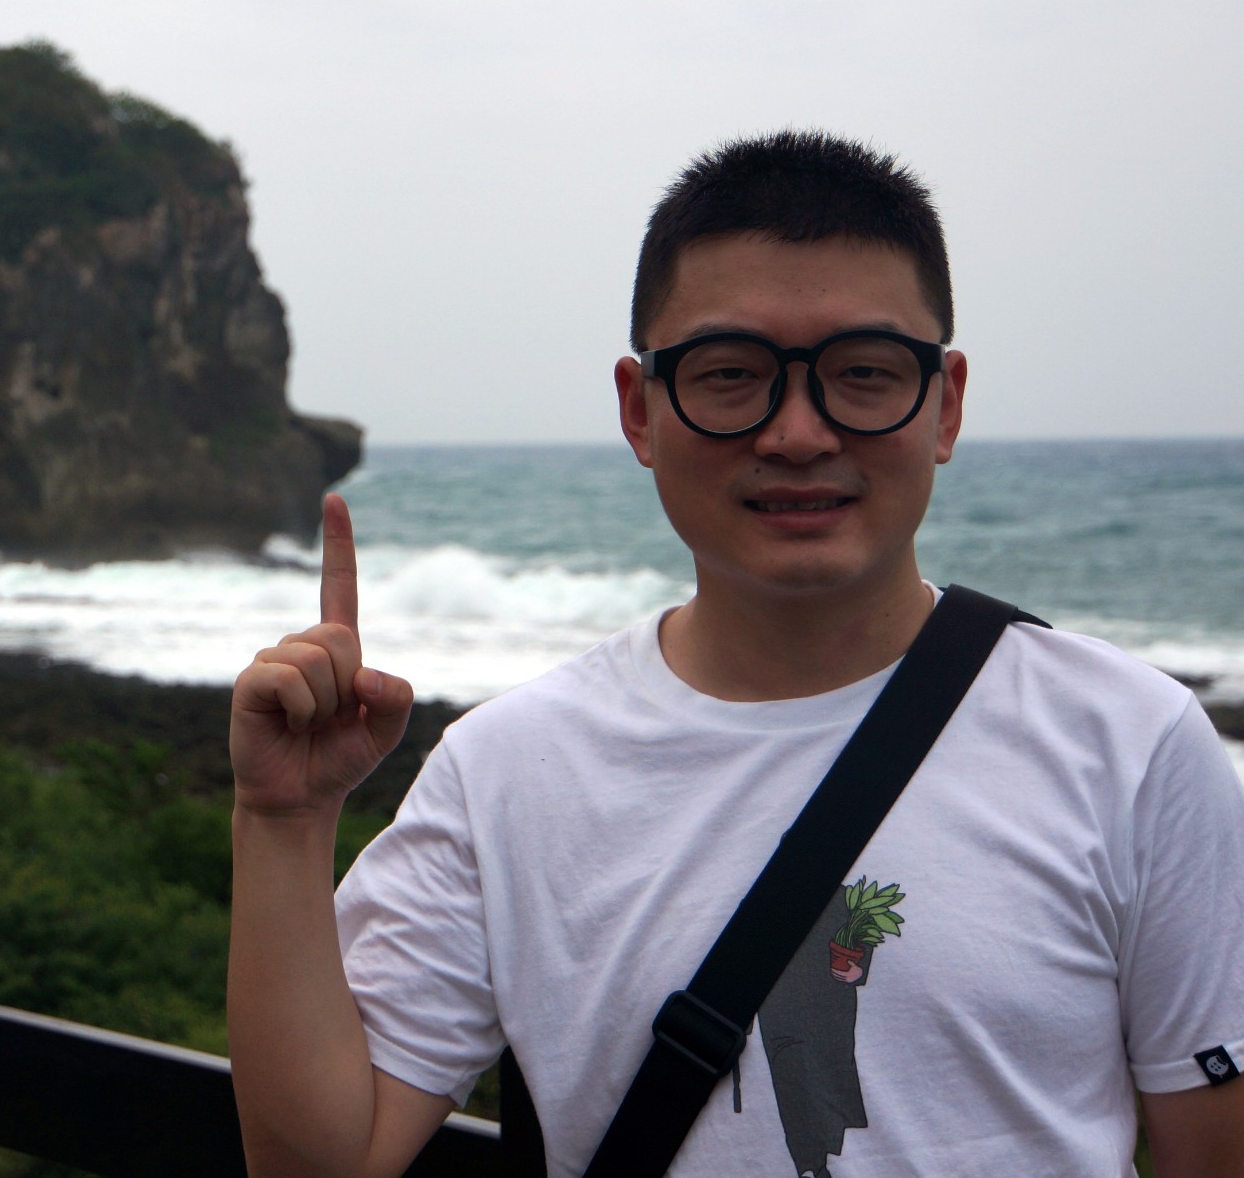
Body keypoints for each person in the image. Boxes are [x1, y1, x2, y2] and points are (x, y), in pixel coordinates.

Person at [226, 131, 1244, 1177]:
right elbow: (321, 1164)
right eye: (730, 375)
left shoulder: (1132, 746)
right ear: (639, 410)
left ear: (944, 403)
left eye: (862, 373)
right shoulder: (506, 773)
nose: (797, 433)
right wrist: (283, 820)